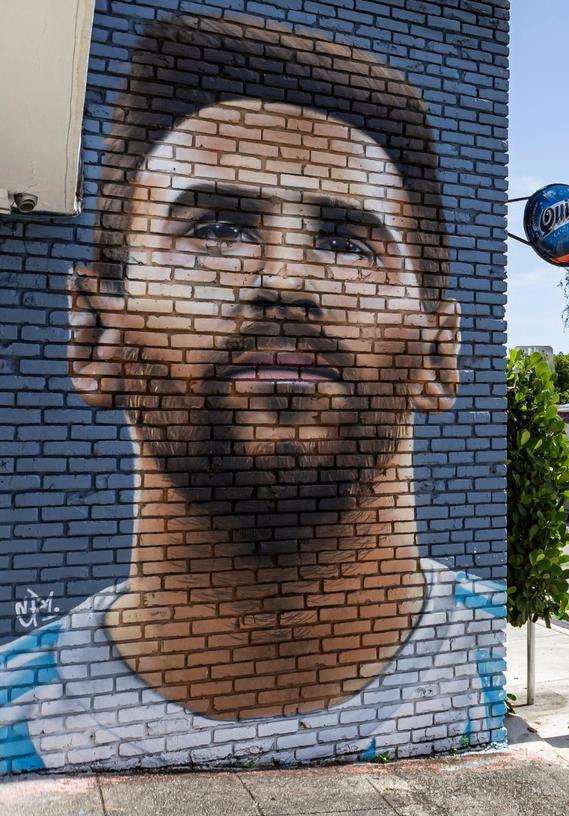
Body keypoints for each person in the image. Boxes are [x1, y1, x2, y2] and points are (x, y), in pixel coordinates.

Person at [0, 13, 500, 773]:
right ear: (96, 334)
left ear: (438, 351)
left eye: (346, 242)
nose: (285, 285)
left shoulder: (496, 664)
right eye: (217, 229)